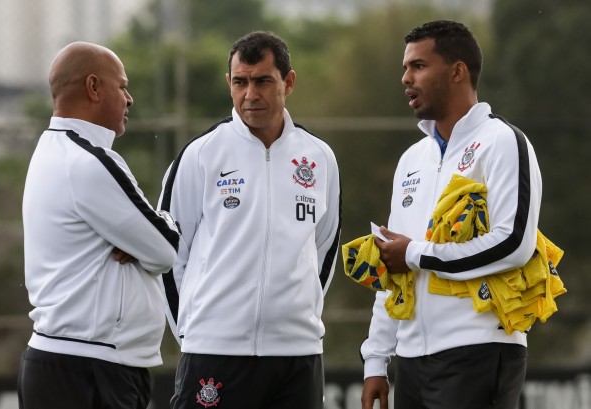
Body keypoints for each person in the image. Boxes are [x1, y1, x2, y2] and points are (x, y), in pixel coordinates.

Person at [360, 20, 543, 409]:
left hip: (478, 350)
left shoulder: (503, 141)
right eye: (406, 67)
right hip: (410, 360)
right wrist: (376, 358)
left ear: (458, 71)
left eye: (419, 66)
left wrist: (416, 253)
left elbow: (514, 244)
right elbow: (392, 261)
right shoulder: (412, 159)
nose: (406, 77)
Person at [158, 31, 342, 409]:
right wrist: (195, 332)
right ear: (229, 83)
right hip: (214, 351)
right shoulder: (200, 155)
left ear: (288, 82)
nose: (250, 95)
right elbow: (168, 254)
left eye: (262, 81)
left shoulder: (319, 158)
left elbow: (324, 251)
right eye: (240, 82)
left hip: (297, 354)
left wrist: (296, 316)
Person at [19, 41, 181, 409]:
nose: (130, 98)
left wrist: (141, 238)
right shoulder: (89, 161)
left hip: (67, 361)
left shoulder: (52, 149)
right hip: (91, 368)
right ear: (93, 87)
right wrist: (165, 223)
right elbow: (164, 249)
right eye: (121, 86)